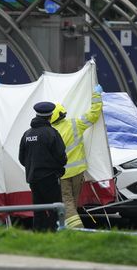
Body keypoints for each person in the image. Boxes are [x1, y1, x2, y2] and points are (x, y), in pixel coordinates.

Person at [51, 84, 103, 228]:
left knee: (66, 201)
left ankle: (76, 229)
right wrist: (97, 96)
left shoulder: (51, 131)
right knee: (71, 202)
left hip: (62, 173)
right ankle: (67, 227)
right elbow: (93, 114)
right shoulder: (75, 124)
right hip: (78, 171)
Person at [19, 102, 67, 232]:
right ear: (50, 116)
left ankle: (39, 234)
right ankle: (55, 235)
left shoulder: (27, 134)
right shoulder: (52, 133)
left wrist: (33, 167)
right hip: (50, 178)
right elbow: (61, 157)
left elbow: (21, 159)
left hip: (33, 178)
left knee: (38, 209)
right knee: (55, 209)